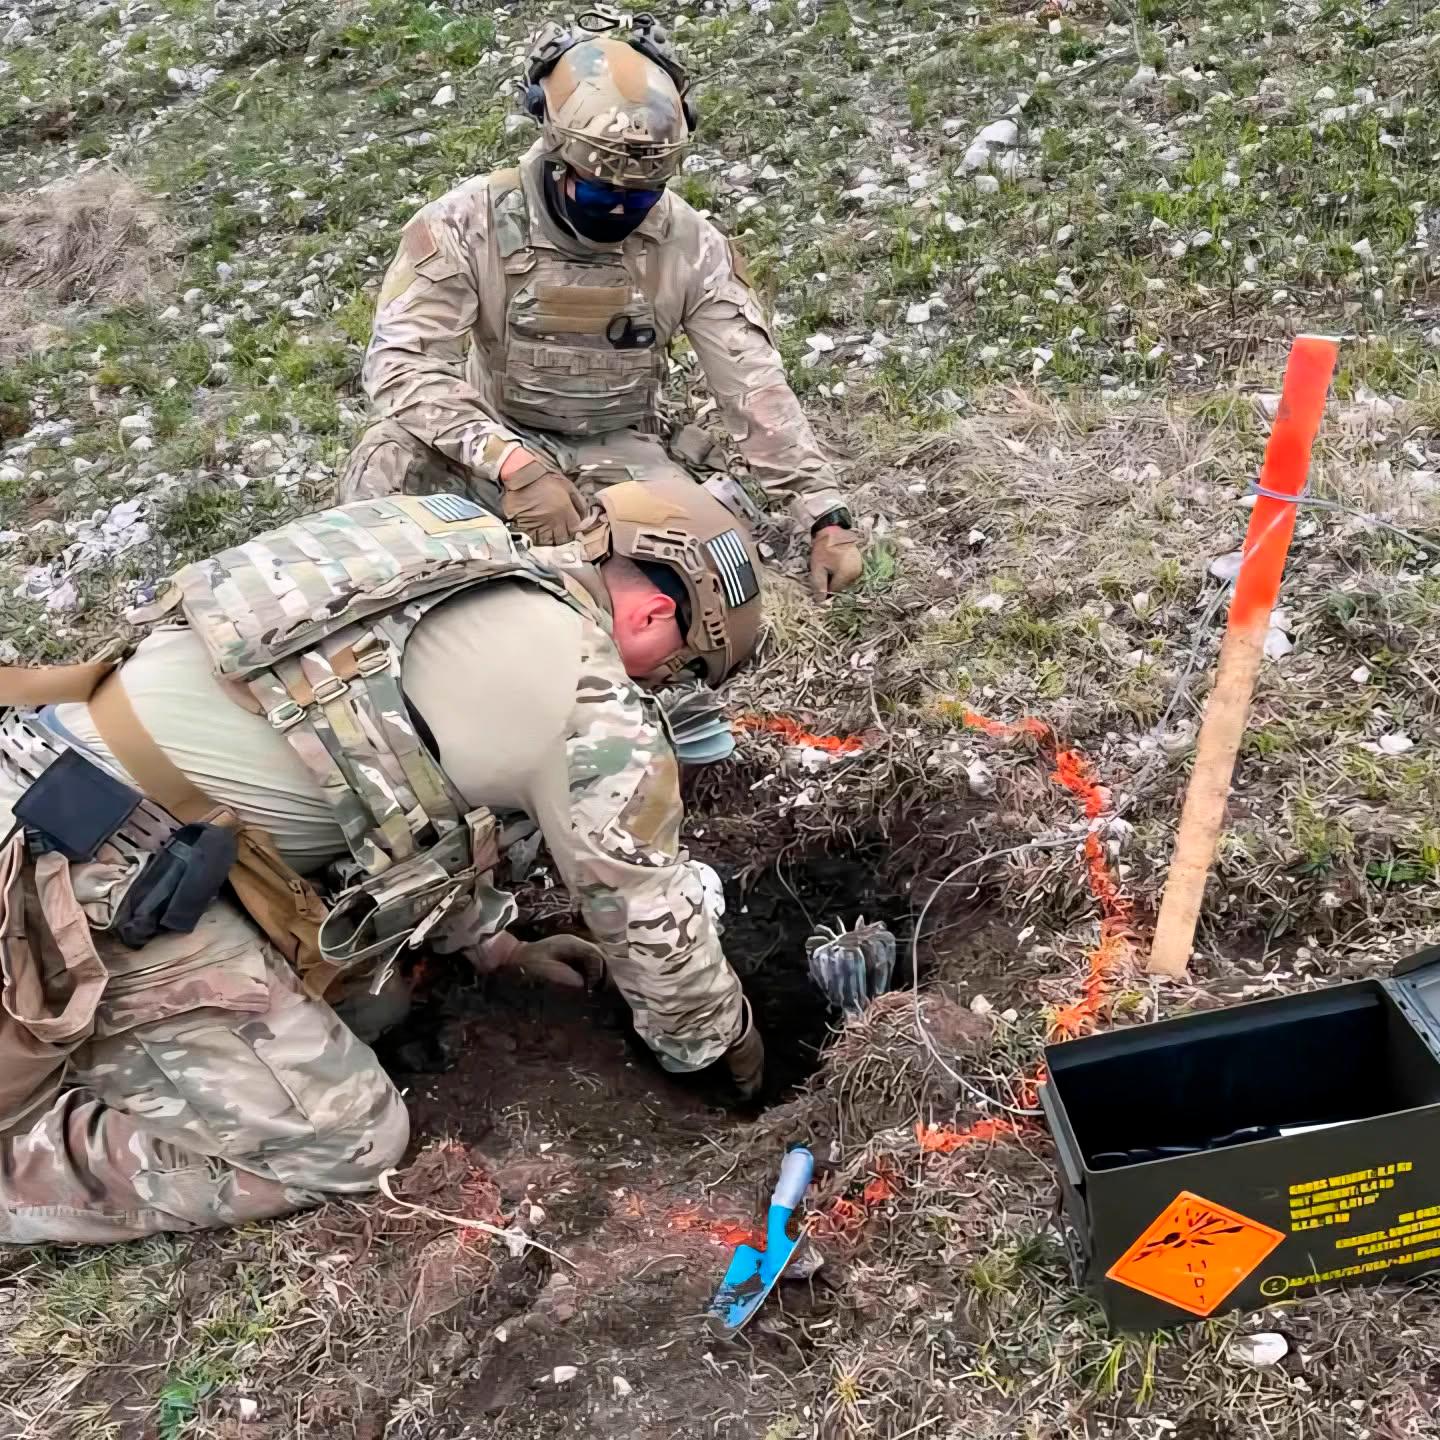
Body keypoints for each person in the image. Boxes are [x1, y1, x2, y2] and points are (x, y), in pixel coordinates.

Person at [0, 478, 765, 1245]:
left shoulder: (452, 550)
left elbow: (393, 786)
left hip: (52, 780)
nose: (668, 686)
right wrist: (723, 1047)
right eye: (686, 666)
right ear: (653, 613)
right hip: (91, 882)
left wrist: (494, 947)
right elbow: (646, 911)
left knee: (377, 1007)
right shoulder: (590, 699)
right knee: (348, 1146)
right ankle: (21, 1166)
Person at [337, 13, 864, 602]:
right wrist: (510, 463)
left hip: (622, 449)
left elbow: (753, 386)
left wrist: (824, 516)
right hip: (492, 435)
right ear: (556, 155)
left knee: (699, 583)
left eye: (640, 197)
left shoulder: (691, 244)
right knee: (386, 459)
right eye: (597, 192)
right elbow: (403, 364)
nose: (617, 213)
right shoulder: (468, 223)